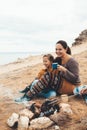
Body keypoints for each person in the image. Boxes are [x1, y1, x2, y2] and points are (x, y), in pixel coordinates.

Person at [16, 40, 81, 102]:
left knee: (48, 76)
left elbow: (75, 79)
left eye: (60, 49)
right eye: (56, 49)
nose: (57, 51)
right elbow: (50, 70)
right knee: (46, 75)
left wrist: (64, 70)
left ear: (66, 49)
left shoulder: (72, 61)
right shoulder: (58, 59)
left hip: (72, 87)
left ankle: (27, 96)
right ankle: (29, 90)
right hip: (62, 83)